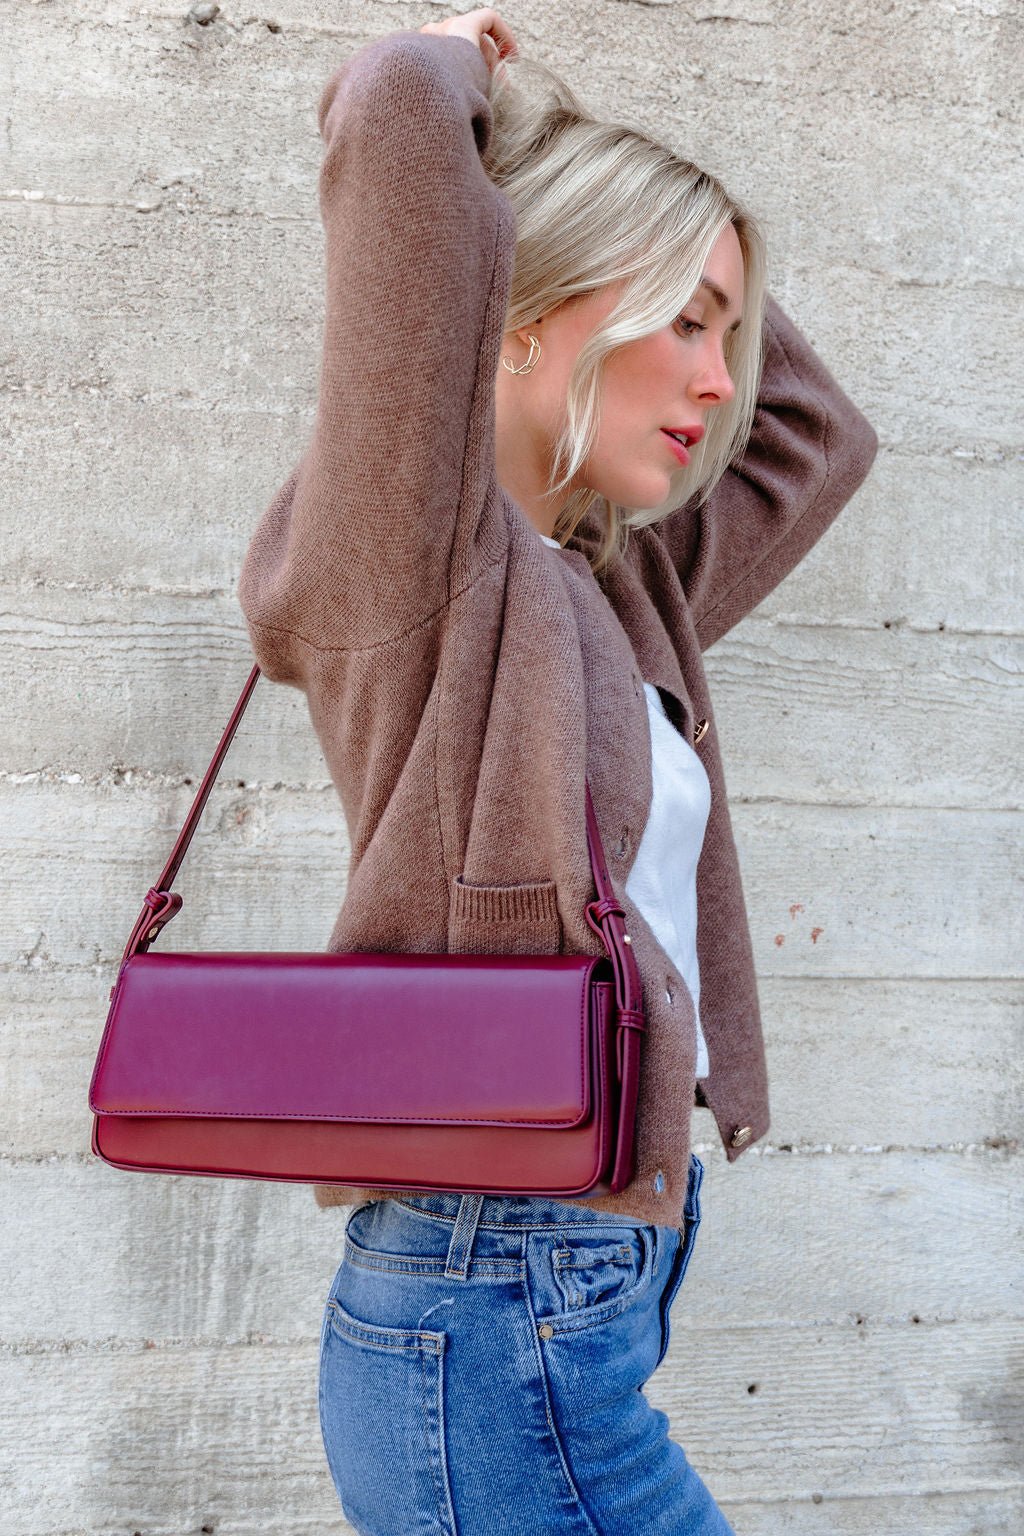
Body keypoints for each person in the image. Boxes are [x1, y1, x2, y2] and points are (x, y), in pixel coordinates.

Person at [238, 9, 879, 1532]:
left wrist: (673, 235)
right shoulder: (415, 562)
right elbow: (396, 110)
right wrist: (489, 91)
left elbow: (818, 434)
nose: (720, 376)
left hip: (572, 1282)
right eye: (688, 318)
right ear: (524, 312)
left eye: (729, 326)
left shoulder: (616, 585)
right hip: (496, 1281)